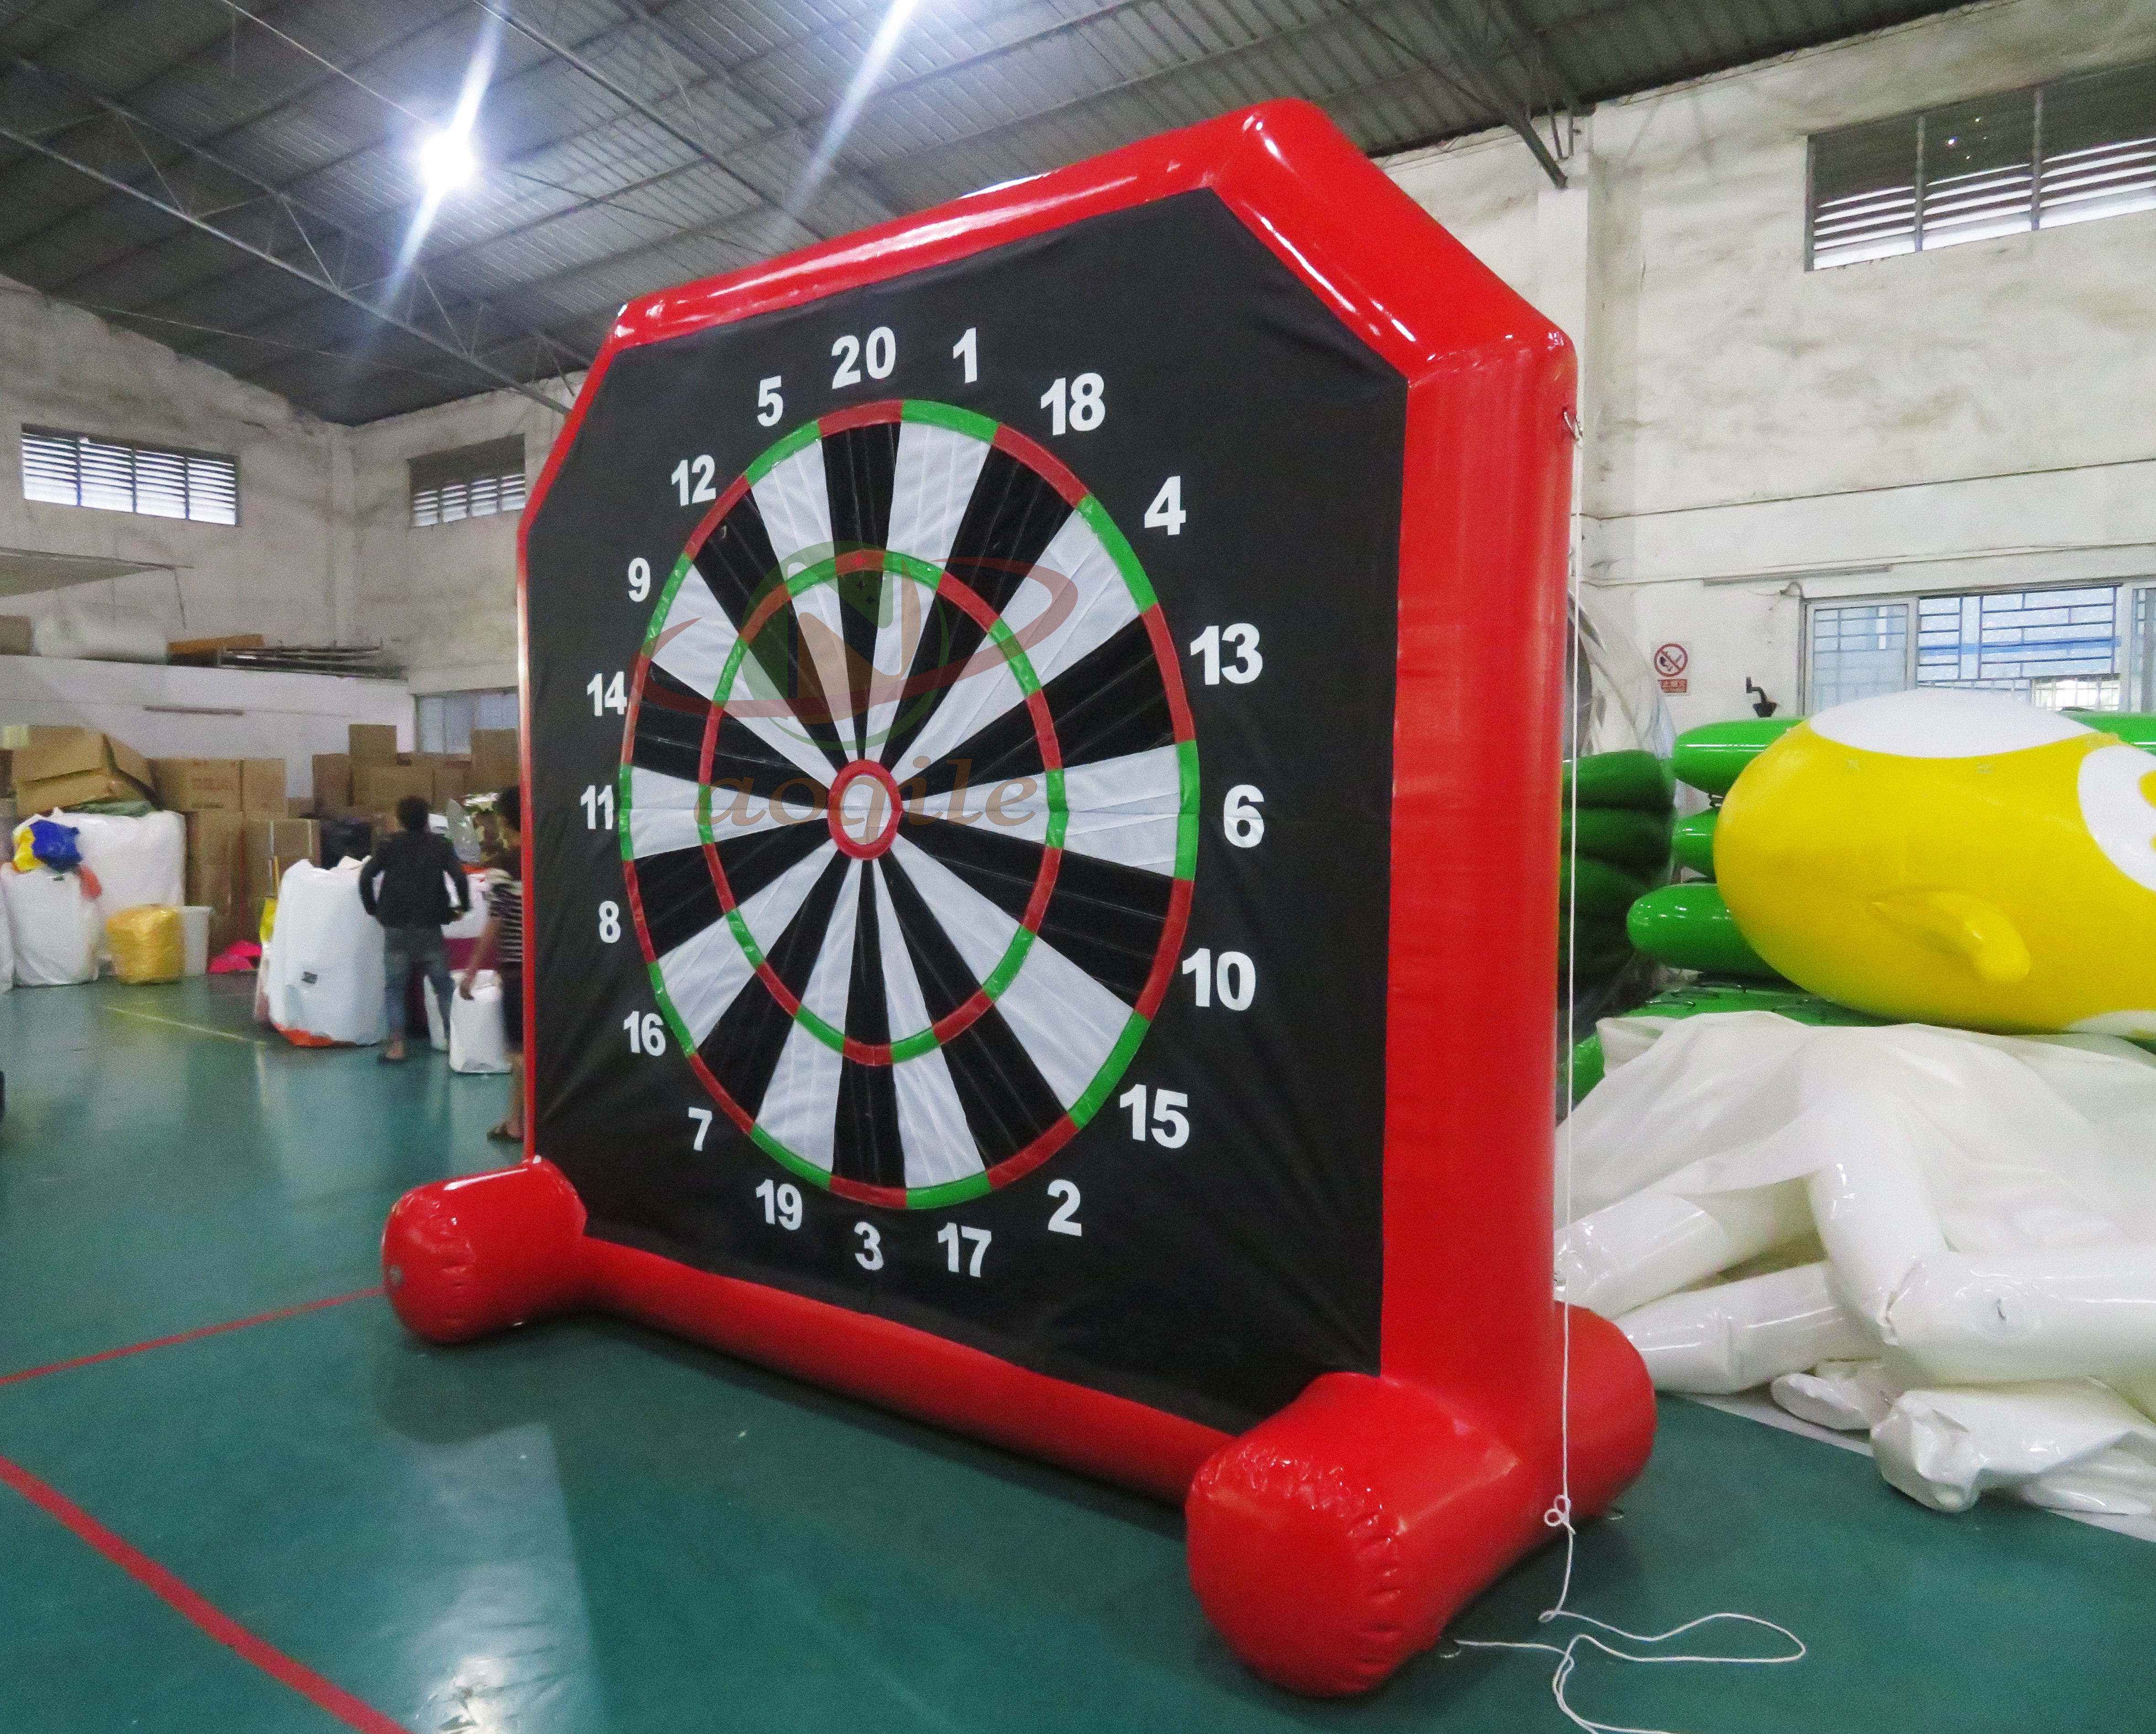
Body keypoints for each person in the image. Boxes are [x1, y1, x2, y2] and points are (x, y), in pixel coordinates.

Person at [358, 795, 472, 1063]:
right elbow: (459, 876)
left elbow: (366, 875)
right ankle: (456, 1044)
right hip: (430, 925)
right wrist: (462, 907)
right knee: (442, 986)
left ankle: (397, 1047)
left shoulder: (389, 845)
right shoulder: (440, 845)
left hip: (396, 925)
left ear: (399, 819)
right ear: (426, 819)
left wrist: (372, 908)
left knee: (395, 988)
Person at [462, 785, 525, 1143]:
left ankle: (517, 1123)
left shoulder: (503, 867)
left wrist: (471, 973)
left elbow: (496, 921)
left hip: (517, 972)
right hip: (548, 970)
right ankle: (526, 1120)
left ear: (503, 821)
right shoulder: (547, 860)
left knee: (518, 1053)